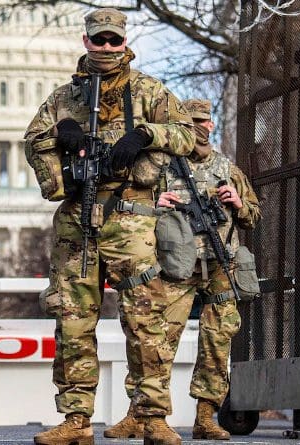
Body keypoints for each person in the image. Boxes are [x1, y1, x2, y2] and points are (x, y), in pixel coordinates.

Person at [25, 8, 196, 445]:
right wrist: (64, 136)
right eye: (98, 40)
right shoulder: (65, 97)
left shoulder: (149, 91)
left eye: (112, 41)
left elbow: (187, 136)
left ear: (124, 42)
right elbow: (34, 140)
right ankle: (76, 419)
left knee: (144, 318)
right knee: (72, 320)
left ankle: (152, 416)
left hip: (130, 217)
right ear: (86, 41)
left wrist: (144, 136)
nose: (105, 48)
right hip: (77, 218)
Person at [105, 99, 261, 441]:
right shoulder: (160, 168)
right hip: (177, 266)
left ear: (211, 125)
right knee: (157, 342)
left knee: (217, 342)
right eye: (191, 122)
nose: (198, 128)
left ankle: (206, 416)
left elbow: (253, 215)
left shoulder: (227, 169)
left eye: (203, 122)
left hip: (221, 265)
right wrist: (156, 205)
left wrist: (238, 202)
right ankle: (141, 414)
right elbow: (130, 206)